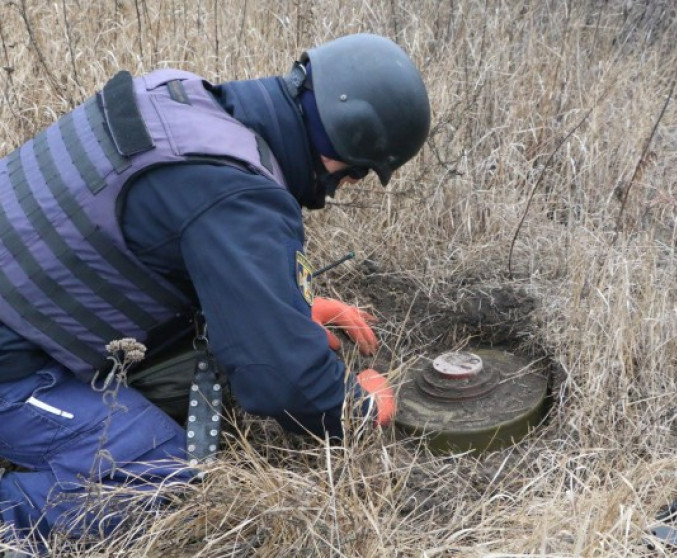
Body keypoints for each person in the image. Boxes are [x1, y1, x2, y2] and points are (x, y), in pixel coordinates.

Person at [0, 32, 430, 544]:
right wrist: (352, 409)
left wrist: (289, 306)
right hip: (12, 364)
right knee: (151, 475)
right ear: (348, 151)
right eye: (355, 177)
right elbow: (285, 384)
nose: (340, 191)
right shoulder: (239, 197)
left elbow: (151, 243)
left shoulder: (179, 96)